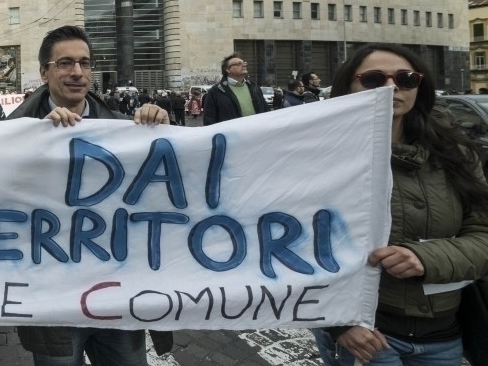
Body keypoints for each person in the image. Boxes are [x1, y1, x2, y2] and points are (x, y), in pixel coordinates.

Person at [312, 44, 488, 366]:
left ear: (419, 87)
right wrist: (338, 324)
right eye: (374, 79)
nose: (392, 88)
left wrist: (425, 257)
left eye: (406, 78)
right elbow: (298, 245)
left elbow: (483, 234)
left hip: (443, 334)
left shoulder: (457, 154)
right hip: (364, 334)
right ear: (348, 86)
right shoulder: (320, 156)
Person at [7, 25, 173, 366]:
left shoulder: (126, 128)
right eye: (65, 63)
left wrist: (165, 134)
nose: (77, 72)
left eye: (84, 63)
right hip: (53, 294)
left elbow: (162, 194)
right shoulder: (10, 134)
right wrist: (38, 140)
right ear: (44, 72)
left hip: (118, 289)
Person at [202, 53, 270, 125]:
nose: (244, 65)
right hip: (232, 135)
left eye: (244, 63)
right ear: (228, 69)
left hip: (256, 132)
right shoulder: (215, 91)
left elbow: (266, 111)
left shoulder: (254, 87)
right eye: (238, 64)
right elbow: (209, 120)